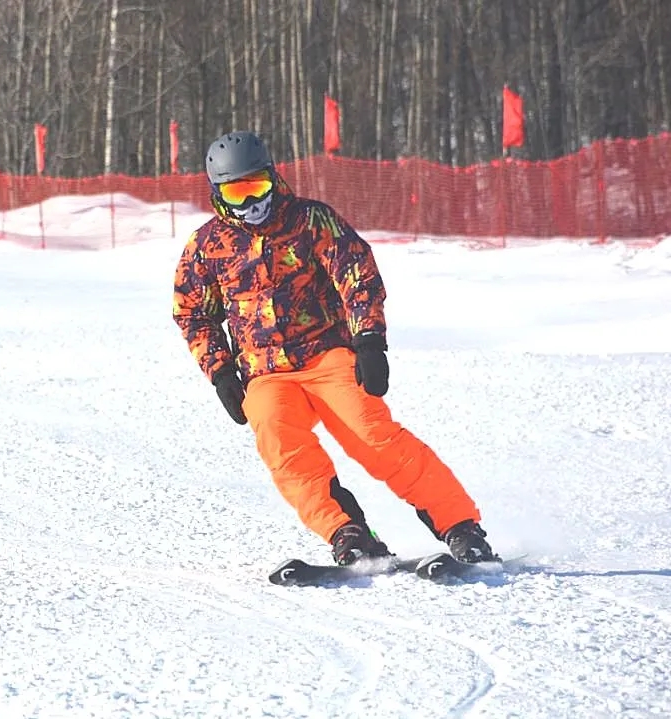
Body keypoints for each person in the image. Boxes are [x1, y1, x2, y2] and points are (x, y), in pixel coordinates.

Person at [172, 130, 499, 566]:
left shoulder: (310, 220)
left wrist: (368, 341)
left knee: (373, 436)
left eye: (258, 187)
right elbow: (192, 311)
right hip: (265, 372)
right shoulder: (207, 246)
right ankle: (349, 533)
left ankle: (461, 527)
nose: (251, 202)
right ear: (219, 193)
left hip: (328, 356)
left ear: (273, 177)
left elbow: (357, 273)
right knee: (279, 442)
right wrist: (220, 371)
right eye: (238, 191)